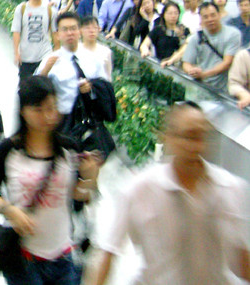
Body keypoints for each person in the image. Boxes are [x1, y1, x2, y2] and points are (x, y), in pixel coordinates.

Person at [94, 102, 250, 285]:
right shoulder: (140, 189)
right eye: (189, 137)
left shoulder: (229, 188)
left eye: (202, 137)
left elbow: (241, 257)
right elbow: (108, 253)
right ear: (167, 137)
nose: (195, 147)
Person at [0, 76, 100, 285]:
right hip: (23, 261)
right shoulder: (9, 151)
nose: (48, 116)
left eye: (52, 108)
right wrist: (10, 210)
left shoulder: (69, 149)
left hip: (64, 258)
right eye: (38, 109)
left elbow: (78, 199)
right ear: (22, 111)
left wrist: (90, 178)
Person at [36, 12, 108, 117]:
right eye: (65, 29)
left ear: (80, 31)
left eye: (73, 28)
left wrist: (91, 87)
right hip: (59, 120)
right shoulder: (50, 61)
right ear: (57, 35)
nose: (70, 33)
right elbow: (35, 91)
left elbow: (105, 88)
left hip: (87, 120)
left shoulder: (94, 58)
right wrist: (45, 71)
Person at [182, 2, 241, 91]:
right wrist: (192, 71)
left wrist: (204, 74)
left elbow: (227, 62)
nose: (210, 19)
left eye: (213, 15)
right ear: (201, 19)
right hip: (203, 87)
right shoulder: (197, 37)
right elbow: (186, 63)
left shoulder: (233, 34)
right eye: (205, 17)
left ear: (219, 15)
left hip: (226, 89)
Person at [11, 0, 57, 80]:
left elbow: (55, 33)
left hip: (44, 55)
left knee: (42, 86)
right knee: (25, 87)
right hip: (26, 56)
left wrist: (56, 53)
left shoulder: (50, 11)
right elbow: (16, 31)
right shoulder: (21, 9)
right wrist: (16, 52)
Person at [140, 1, 190, 66]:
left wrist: (172, 60)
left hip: (177, 67)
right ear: (164, 14)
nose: (173, 16)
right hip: (160, 64)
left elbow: (184, 49)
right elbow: (144, 44)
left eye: (176, 13)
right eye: (170, 13)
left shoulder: (184, 31)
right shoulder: (158, 30)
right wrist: (145, 50)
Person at [80, 16, 113, 81]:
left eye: (95, 28)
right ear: (80, 30)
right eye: (87, 28)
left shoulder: (105, 51)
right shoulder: (75, 50)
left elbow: (108, 76)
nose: (92, 31)